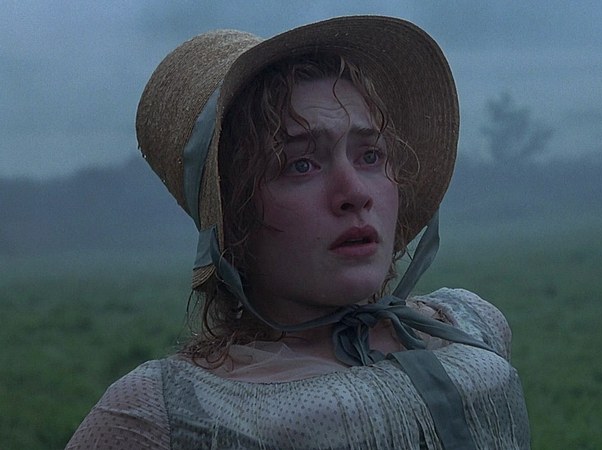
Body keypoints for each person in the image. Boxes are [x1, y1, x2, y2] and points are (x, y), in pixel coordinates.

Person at [66, 16, 530, 449]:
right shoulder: (166, 410)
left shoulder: (471, 324)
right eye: (300, 165)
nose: (355, 193)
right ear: (232, 214)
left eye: (370, 155)